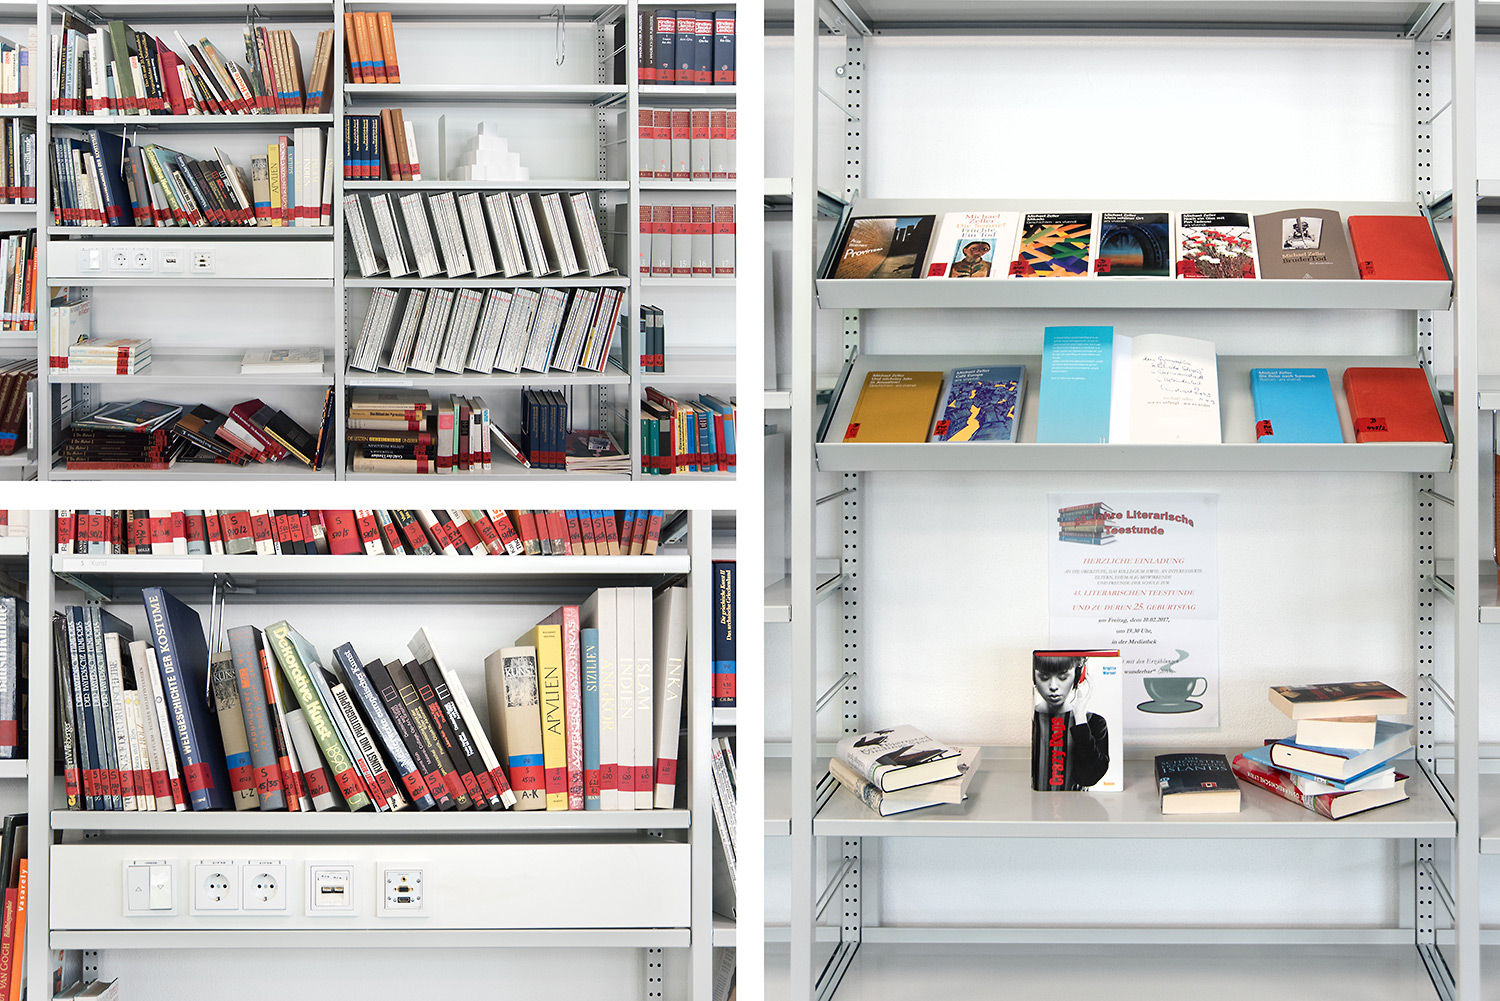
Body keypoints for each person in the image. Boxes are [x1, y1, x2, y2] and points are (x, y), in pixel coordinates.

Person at [1031, 654, 1110, 791]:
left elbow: (1089, 778)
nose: (1053, 686)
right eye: (1044, 677)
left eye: (1062, 677)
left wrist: (1080, 720)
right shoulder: (1031, 720)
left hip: (1075, 803)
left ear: (1078, 676)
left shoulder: (1094, 722)